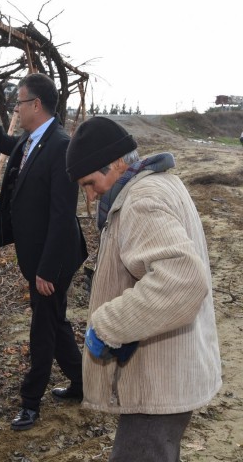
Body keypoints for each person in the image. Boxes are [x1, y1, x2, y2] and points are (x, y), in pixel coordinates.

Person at [66, 116, 222, 462]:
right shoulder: (163, 184)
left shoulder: (140, 201)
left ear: (117, 163)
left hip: (160, 385)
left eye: (90, 183)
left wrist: (109, 325)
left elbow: (183, 279)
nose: (90, 196)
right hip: (168, 373)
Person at [0, 73, 88, 431]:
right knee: (54, 321)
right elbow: (6, 143)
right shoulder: (33, 140)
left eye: (19, 103)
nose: (16, 110)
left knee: (42, 328)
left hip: (55, 257)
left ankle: (31, 402)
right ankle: (83, 382)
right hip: (37, 254)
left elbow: (63, 216)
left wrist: (48, 270)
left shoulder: (61, 145)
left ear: (36, 105)